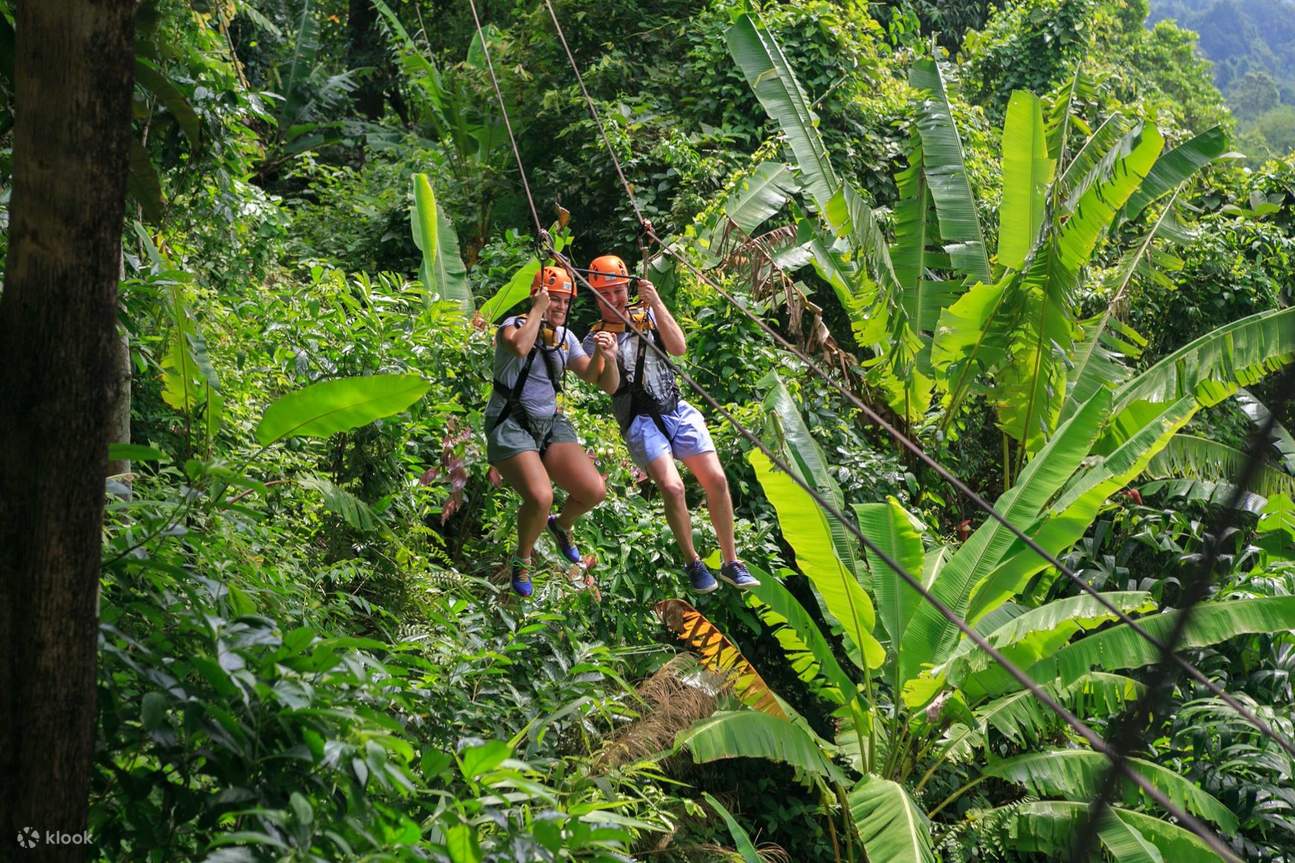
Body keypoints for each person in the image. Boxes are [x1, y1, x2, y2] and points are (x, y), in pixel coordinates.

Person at [581, 254, 759, 594]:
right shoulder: (596, 337)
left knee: (717, 479)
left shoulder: (646, 314)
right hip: (639, 419)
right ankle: (693, 562)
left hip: (675, 408)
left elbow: (678, 347)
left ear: (626, 289)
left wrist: (657, 302)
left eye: (619, 292)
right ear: (597, 297)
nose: (615, 300)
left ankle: (731, 561)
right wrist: (606, 355)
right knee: (673, 487)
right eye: (607, 294)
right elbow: (611, 387)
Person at [485, 265, 619, 597]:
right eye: (554, 300)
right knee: (541, 496)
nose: (559, 307)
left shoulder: (564, 338)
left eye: (564, 302)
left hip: (549, 426)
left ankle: (562, 525)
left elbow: (590, 375)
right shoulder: (512, 326)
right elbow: (519, 347)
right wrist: (537, 310)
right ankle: (523, 558)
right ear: (538, 297)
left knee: (593, 491)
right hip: (510, 423)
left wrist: (603, 354)